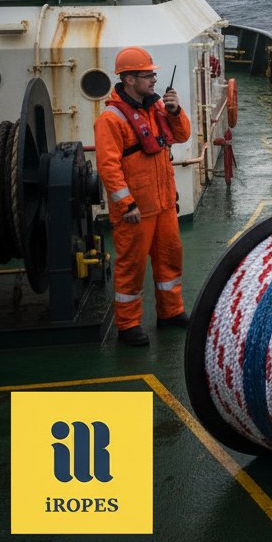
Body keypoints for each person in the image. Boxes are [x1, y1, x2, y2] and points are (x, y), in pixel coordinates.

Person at [95, 46, 191, 346]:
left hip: (163, 204)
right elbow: (108, 167)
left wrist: (176, 112)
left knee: (170, 259)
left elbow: (182, 135)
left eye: (153, 75)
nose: (153, 80)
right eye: (147, 75)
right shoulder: (110, 119)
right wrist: (126, 205)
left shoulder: (157, 107)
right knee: (132, 267)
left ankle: (170, 312)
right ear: (129, 79)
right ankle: (128, 325)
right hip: (136, 209)